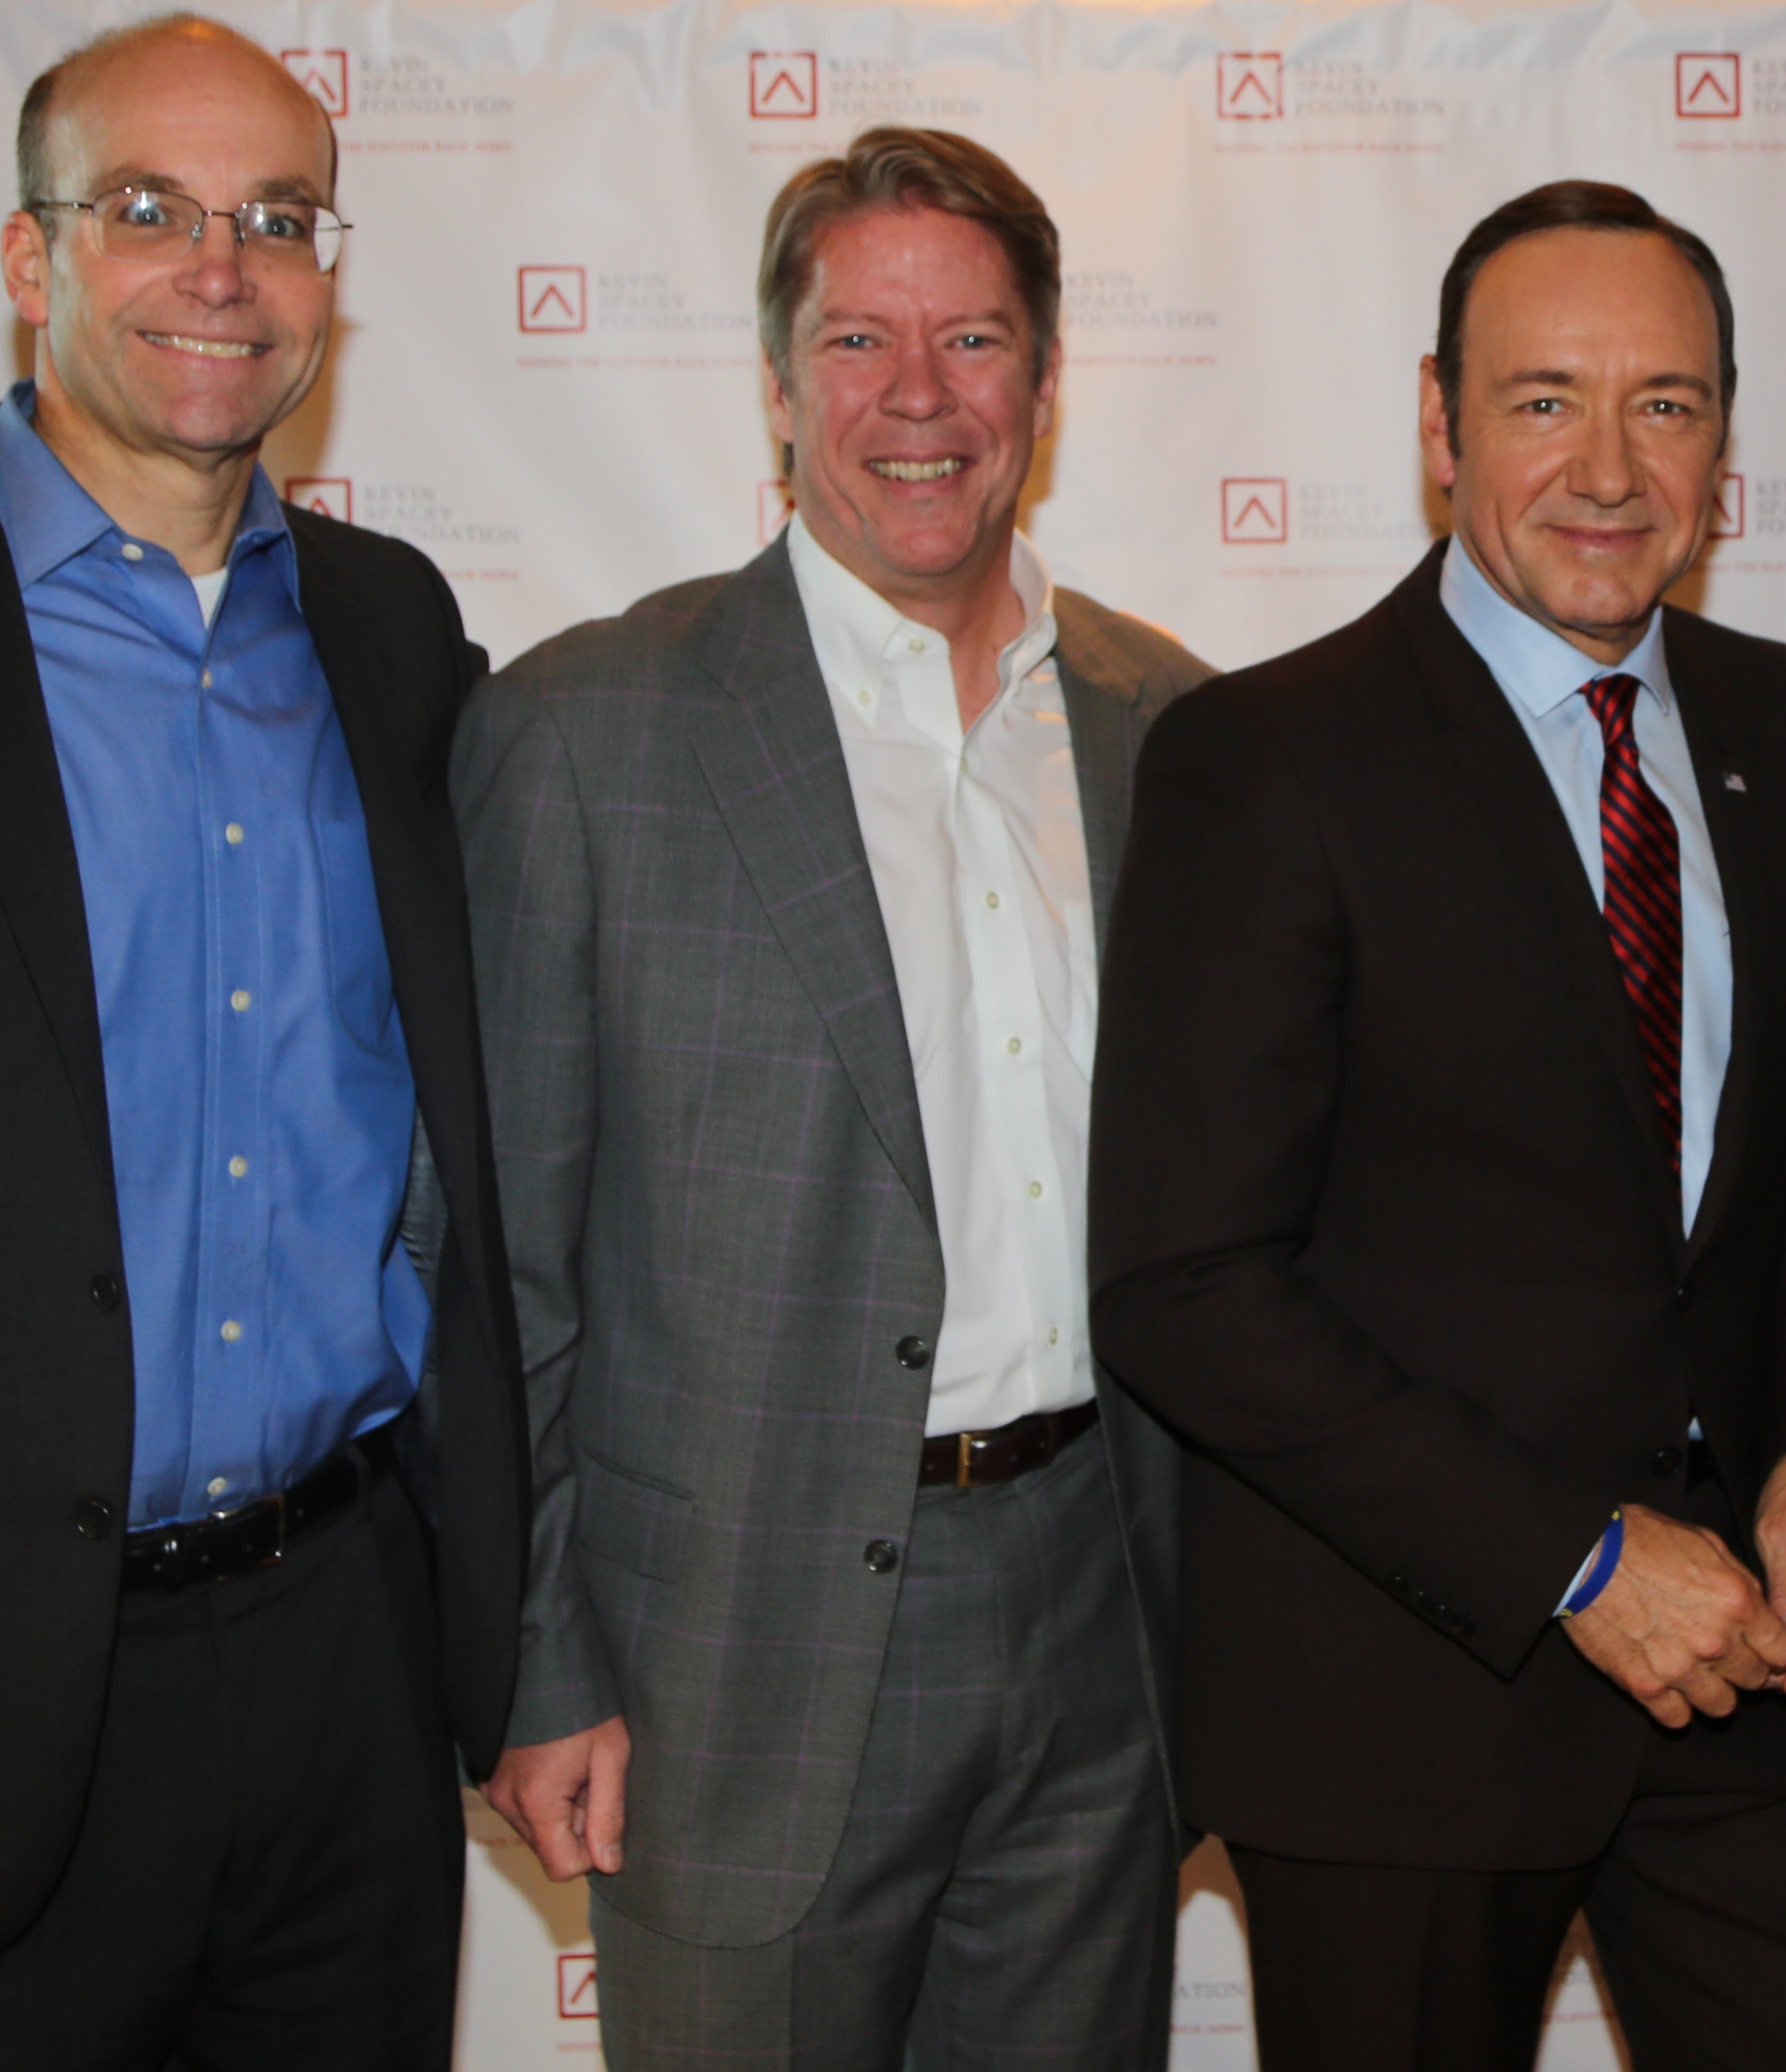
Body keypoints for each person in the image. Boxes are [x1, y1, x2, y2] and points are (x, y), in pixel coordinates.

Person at [1089, 180, 1786, 2072]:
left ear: (1723, 440)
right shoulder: (1268, 759)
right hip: (1404, 1708)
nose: (1609, 468)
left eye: (1665, 404)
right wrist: (1579, 1558)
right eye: (1546, 401)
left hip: (1752, 1681)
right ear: (1439, 422)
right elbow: (1187, 1285)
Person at [458, 128, 1207, 2070]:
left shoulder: (1174, 729)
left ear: (1047, 380)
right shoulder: (582, 735)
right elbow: (502, 1271)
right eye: (859, 342)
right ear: (780, 386)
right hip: (725, 1663)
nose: (918, 398)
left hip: (1099, 1625)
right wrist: (536, 1663)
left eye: (975, 340)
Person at [0, 17, 529, 2066]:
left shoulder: (393, 632)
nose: (223, 267)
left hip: (349, 1657)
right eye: (151, 210)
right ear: (29, 258)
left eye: (279, 220)